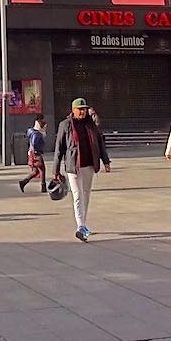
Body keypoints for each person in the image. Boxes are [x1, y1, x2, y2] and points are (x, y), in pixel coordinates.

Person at [51, 97, 111, 242]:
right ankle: (81, 226)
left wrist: (106, 161)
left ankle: (83, 222)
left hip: (89, 165)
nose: (82, 112)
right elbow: (59, 148)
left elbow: (99, 144)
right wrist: (56, 169)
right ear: (73, 110)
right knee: (78, 196)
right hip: (74, 166)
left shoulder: (91, 125)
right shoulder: (65, 125)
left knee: (86, 195)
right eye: (80, 109)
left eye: (84, 109)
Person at [19, 115, 47, 193]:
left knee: (35, 172)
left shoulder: (32, 131)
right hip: (36, 153)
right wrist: (37, 150)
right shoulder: (37, 133)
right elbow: (35, 143)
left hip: (31, 152)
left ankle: (23, 182)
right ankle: (43, 187)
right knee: (42, 170)